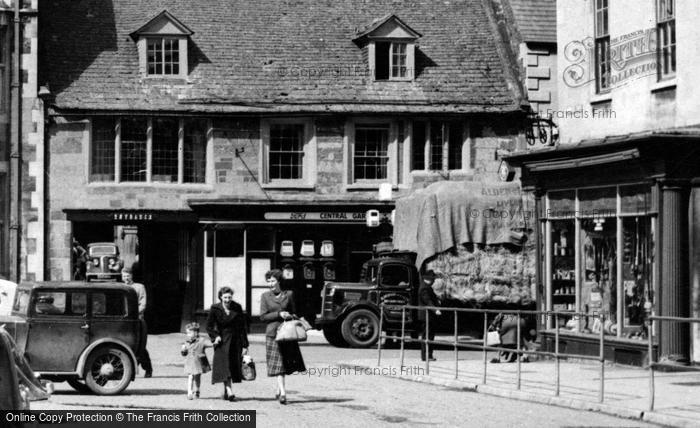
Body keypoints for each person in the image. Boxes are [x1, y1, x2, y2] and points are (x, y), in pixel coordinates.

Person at [260, 269, 306, 405]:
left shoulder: (289, 295)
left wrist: (290, 316)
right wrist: (278, 314)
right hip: (273, 334)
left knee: (284, 364)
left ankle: (279, 388)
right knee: (278, 364)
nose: (270, 284)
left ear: (279, 281)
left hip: (287, 334)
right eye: (268, 281)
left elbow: (294, 312)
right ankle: (283, 393)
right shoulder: (265, 296)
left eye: (273, 281)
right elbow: (262, 316)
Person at [206, 286, 249, 402]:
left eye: (229, 297)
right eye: (225, 297)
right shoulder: (215, 308)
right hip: (222, 340)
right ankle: (229, 391)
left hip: (235, 340)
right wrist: (215, 336)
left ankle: (227, 390)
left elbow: (242, 327)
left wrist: (245, 345)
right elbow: (209, 326)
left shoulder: (237, 307)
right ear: (220, 297)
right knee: (225, 365)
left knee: (232, 365)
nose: (227, 300)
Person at [122, 267, 153, 377]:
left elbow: (143, 304)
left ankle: (148, 368)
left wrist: (134, 314)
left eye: (128, 276)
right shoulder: (120, 288)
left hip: (137, 320)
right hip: (124, 321)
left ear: (132, 276)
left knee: (140, 345)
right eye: (124, 276)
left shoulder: (139, 287)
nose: (126, 278)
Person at [180, 322, 212, 400]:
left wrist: (216, 342)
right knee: (190, 377)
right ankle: (189, 392)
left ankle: (197, 390)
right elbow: (184, 353)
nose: (188, 335)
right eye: (187, 333)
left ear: (195, 333)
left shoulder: (202, 341)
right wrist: (183, 351)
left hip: (198, 363)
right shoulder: (186, 342)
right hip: (190, 363)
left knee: (197, 377)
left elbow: (211, 344)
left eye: (189, 333)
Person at [418, 270, 442, 361]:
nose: (434, 281)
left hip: (428, 316)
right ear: (428, 279)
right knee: (427, 336)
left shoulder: (426, 287)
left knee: (429, 335)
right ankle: (426, 356)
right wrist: (435, 310)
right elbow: (427, 301)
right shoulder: (424, 288)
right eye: (433, 279)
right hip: (427, 315)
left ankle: (428, 355)